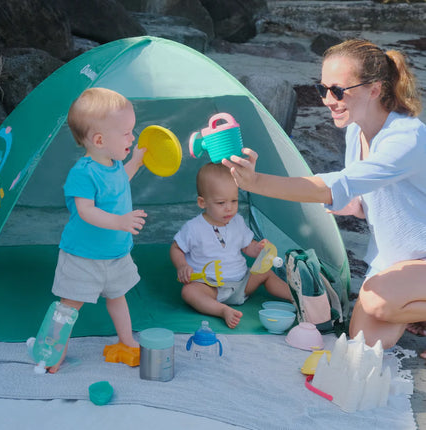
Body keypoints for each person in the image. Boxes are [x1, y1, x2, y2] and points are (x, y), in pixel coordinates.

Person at [223, 39, 426, 350]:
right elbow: (368, 194)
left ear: (374, 90)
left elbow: (336, 185)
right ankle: (411, 303)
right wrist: (356, 207)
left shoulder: (406, 139)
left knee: (375, 301)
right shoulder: (356, 130)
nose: (327, 100)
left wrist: (255, 182)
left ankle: (408, 301)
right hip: (398, 259)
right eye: (323, 90)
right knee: (361, 344)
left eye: (338, 91)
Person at [47, 87, 147, 373]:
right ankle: (53, 350)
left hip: (114, 254)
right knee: (69, 305)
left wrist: (135, 162)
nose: (132, 137)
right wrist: (120, 221)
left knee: (118, 297)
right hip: (83, 256)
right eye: (126, 133)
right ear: (99, 140)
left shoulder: (114, 165)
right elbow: (85, 210)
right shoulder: (84, 172)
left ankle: (127, 340)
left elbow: (119, 183)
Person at [170, 162, 292, 329]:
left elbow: (247, 245)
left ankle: (297, 298)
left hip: (242, 283)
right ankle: (222, 310)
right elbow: (176, 248)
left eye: (234, 201)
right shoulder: (194, 228)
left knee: (266, 273)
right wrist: (182, 265)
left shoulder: (238, 221)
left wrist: (257, 249)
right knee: (189, 292)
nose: (229, 208)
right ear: (202, 202)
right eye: (221, 203)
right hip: (210, 286)